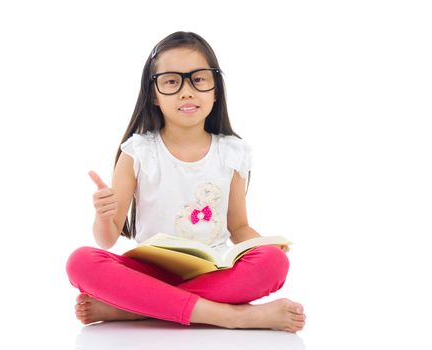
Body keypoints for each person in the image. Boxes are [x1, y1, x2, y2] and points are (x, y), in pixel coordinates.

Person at [66, 31, 306, 332]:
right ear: (153, 94)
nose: (187, 91)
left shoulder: (232, 152)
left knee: (273, 262)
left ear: (215, 89)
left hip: (212, 271)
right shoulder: (138, 151)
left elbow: (239, 226)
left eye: (199, 79)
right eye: (171, 81)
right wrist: (103, 216)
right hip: (149, 273)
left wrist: (263, 245)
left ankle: (137, 307)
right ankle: (231, 317)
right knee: (80, 261)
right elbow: (107, 238)